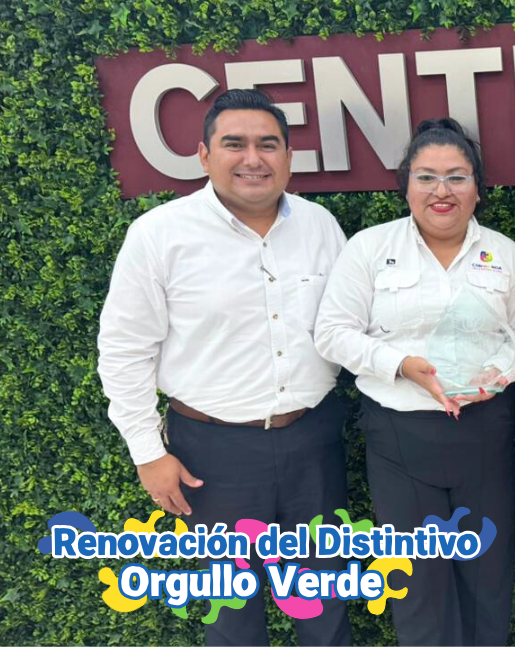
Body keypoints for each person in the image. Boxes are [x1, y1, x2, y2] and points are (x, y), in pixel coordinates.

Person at [97, 89, 352, 645]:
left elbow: (349, 325)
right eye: (234, 144)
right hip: (212, 453)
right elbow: (124, 349)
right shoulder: (160, 235)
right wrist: (147, 452)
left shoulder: (320, 226)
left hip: (312, 441)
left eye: (268, 144)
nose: (252, 159)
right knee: (232, 613)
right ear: (204, 155)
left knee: (324, 601)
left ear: (289, 156)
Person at [313, 118, 515, 646]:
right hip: (399, 438)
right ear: (406, 185)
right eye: (426, 177)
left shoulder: (506, 255)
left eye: (456, 177)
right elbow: (332, 333)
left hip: (483, 431)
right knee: (418, 587)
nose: (441, 191)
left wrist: (500, 372)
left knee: (487, 580)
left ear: (477, 187)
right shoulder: (369, 248)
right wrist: (399, 364)